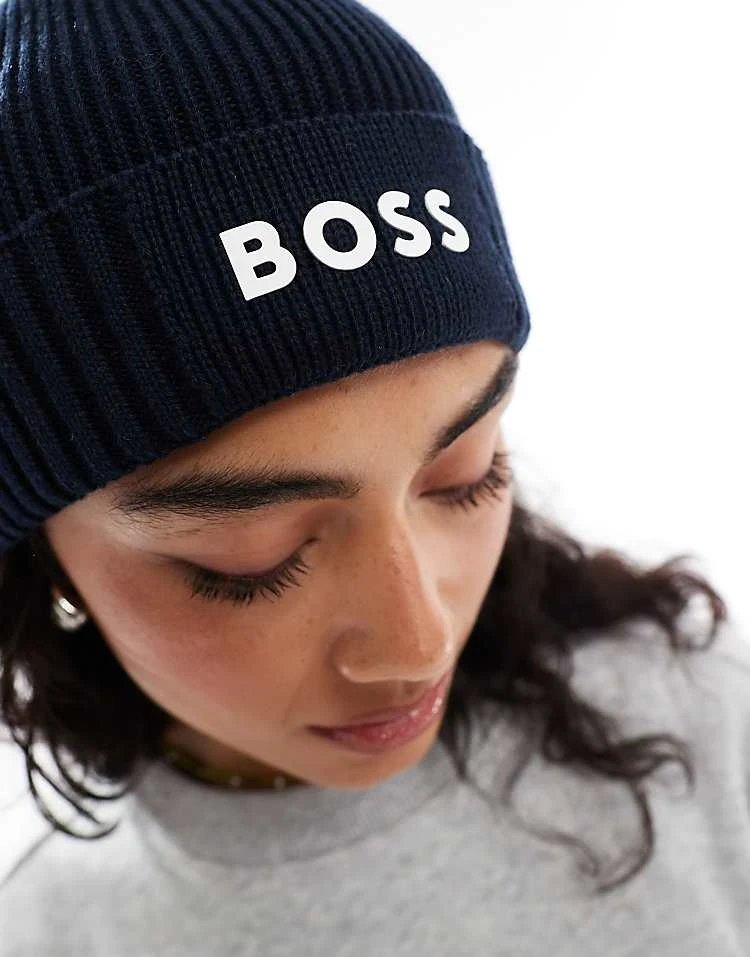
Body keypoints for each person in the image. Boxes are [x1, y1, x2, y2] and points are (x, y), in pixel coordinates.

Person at [0, 0, 747, 954]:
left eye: (466, 475)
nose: (417, 641)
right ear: (44, 556)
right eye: (251, 559)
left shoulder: (701, 725)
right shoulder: (47, 929)